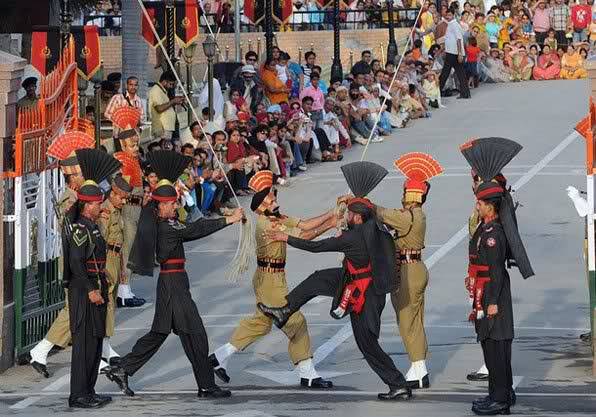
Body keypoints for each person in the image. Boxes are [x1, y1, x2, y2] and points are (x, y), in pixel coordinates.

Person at [258, 161, 412, 401]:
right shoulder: (373, 225)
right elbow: (357, 214)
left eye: (350, 213)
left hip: (365, 294)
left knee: (367, 343)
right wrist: (345, 205)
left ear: (358, 218)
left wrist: (284, 237)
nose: (347, 215)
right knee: (318, 279)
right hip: (352, 279)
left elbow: (315, 246)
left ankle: (397, 384)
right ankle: (284, 310)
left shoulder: (352, 237)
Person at [105, 150, 244, 399]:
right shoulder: (165, 226)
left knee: (159, 334)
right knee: (196, 333)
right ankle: (206, 385)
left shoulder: (168, 222)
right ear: (160, 206)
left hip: (175, 282)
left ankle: (124, 368)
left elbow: (189, 225)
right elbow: (195, 229)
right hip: (173, 285)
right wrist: (229, 220)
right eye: (170, 203)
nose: (174, 206)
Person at [210, 170, 335, 389]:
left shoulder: (275, 218)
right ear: (261, 206)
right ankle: (308, 373)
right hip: (270, 280)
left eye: (275, 197)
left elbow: (304, 224)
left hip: (270, 278)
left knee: (260, 323)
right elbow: (305, 237)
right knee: (296, 322)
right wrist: (331, 223)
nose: (276, 201)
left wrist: (332, 214)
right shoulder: (269, 224)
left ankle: (218, 357)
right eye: (271, 199)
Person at [460, 137, 534, 415]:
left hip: (493, 296)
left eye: (479, 202)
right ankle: (497, 394)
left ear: (488, 206)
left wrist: (490, 301)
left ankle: (500, 400)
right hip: (485, 291)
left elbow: (495, 272)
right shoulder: (487, 226)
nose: (476, 205)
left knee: (497, 349)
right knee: (490, 347)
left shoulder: (493, 235)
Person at [27, 131, 94, 378]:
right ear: (69, 174)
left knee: (83, 311)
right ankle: (41, 350)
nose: (81, 175)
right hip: (73, 260)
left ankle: (103, 357)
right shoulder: (70, 196)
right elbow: (66, 224)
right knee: (74, 309)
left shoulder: (80, 193)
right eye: (77, 172)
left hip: (83, 256)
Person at [373, 153, 443, 390]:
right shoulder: (417, 215)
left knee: (406, 321)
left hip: (407, 271)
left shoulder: (408, 216)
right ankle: (418, 365)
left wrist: (365, 204)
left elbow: (382, 214)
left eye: (405, 192)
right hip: (416, 268)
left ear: (410, 194)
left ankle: (419, 367)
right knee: (415, 319)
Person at [66, 148, 122, 408]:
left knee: (96, 343)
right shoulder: (79, 230)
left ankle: (89, 391)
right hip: (83, 292)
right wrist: (90, 288)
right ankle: (78, 395)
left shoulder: (93, 227)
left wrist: (104, 279)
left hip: (96, 289)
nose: (101, 205)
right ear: (88, 206)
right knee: (84, 347)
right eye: (98, 202)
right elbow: (77, 263)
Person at [97, 175, 133, 372]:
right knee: (106, 304)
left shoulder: (117, 211)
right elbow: (100, 242)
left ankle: (106, 346)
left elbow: (119, 242)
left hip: (115, 258)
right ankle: (102, 349)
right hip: (105, 260)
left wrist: (121, 270)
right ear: (112, 194)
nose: (124, 201)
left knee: (111, 305)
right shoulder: (105, 212)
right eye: (121, 198)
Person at [111, 106, 146, 308]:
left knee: (130, 249)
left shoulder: (132, 159)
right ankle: (123, 291)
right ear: (123, 144)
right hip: (128, 210)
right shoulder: (122, 161)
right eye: (132, 145)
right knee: (127, 249)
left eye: (136, 144)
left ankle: (126, 289)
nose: (135, 148)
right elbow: (121, 188)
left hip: (136, 208)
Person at [439, 9, 471, 99]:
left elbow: (459, 39)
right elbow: (448, 38)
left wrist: (460, 53)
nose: (448, 17)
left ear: (453, 15)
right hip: (451, 51)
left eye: (449, 15)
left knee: (446, 72)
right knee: (460, 73)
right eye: (447, 15)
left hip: (454, 52)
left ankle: (437, 92)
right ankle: (465, 93)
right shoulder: (450, 24)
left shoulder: (454, 25)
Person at [149, 70, 184, 140]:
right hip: (162, 129)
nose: (171, 87)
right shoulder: (156, 91)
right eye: (170, 84)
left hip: (166, 128)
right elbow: (159, 108)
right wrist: (173, 101)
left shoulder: (163, 91)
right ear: (164, 82)